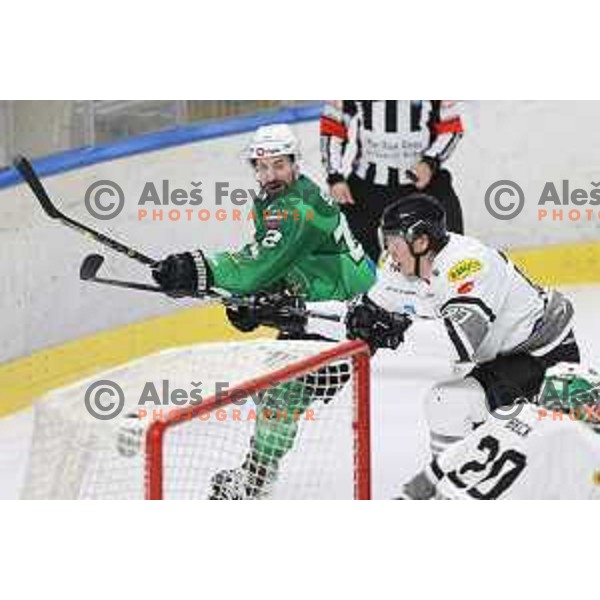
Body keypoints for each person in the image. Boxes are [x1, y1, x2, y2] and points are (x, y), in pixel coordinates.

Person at [151, 123, 376, 499]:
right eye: (262, 166)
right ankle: (260, 469)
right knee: (267, 383)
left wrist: (195, 268)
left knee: (280, 395)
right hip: (323, 309)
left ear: (295, 164)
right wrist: (260, 300)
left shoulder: (296, 208)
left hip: (343, 323)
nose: (270, 175)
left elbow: (258, 263)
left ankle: (256, 478)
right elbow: (284, 264)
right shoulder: (281, 200)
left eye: (279, 165)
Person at [344, 193, 580, 492]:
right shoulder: (403, 267)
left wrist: (394, 330)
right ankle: (457, 489)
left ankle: (450, 493)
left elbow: (459, 343)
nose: (388, 251)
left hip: (546, 358)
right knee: (455, 405)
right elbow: (362, 316)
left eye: (394, 241)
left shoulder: (468, 263)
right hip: (501, 359)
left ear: (420, 242)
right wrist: (301, 315)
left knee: (455, 405)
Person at [398, 363, 600, 499]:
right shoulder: (580, 441)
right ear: (566, 404)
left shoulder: (512, 413)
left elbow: (433, 473)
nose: (595, 410)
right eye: (590, 403)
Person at [320, 100, 465, 263]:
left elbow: (452, 127)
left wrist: (430, 162)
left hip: (423, 182)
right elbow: (332, 126)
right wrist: (335, 177)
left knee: (451, 244)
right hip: (368, 184)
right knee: (353, 253)